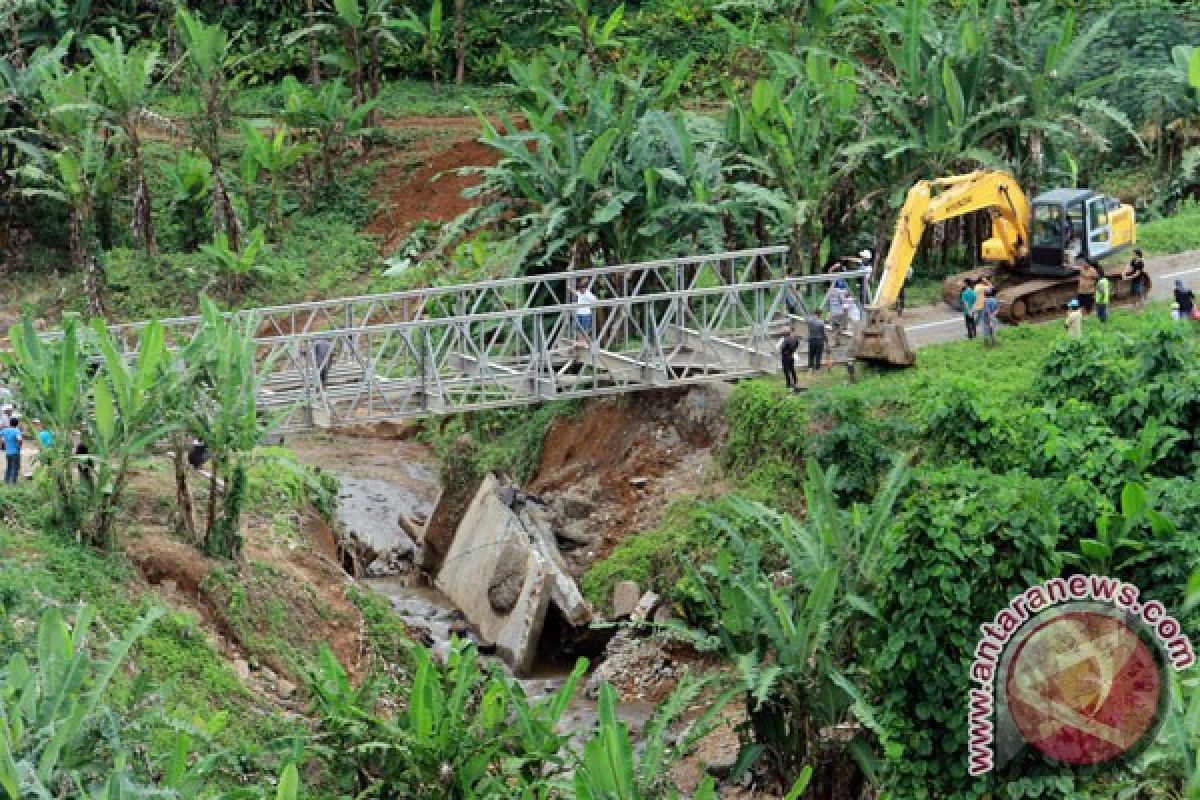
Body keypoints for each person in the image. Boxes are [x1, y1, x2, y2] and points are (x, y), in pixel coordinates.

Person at [777, 326, 800, 391]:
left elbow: (783, 347)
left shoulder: (785, 339)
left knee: (786, 370)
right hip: (792, 355)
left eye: (783, 331)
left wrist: (782, 350)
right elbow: (797, 344)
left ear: (784, 332)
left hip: (785, 356)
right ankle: (795, 380)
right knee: (792, 368)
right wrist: (793, 350)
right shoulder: (794, 338)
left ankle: (788, 383)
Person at [2, 416, 22, 485]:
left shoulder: (5, 430)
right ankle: (13, 483)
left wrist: (3, 444)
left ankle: (6, 481)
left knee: (9, 467)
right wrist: (19, 446)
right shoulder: (17, 431)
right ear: (17, 424)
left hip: (8, 452)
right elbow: (19, 439)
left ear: (10, 423)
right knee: (15, 468)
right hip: (15, 452)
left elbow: (1, 436)